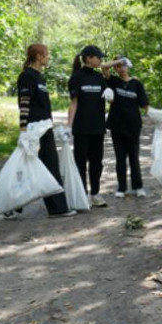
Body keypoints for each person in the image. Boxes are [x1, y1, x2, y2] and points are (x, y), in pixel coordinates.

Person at [7, 43, 76, 219]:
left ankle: (55, 208)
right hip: (33, 130)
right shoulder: (27, 76)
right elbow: (24, 104)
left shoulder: (40, 77)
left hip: (44, 128)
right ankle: (13, 205)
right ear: (38, 56)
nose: (48, 57)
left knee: (48, 166)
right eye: (47, 54)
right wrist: (23, 129)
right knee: (30, 167)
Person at [67, 45, 117, 207]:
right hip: (81, 127)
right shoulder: (76, 77)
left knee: (97, 162)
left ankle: (95, 193)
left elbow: (108, 99)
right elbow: (73, 103)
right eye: (98, 57)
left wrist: (110, 96)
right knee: (81, 162)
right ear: (88, 58)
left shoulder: (98, 77)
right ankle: (82, 194)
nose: (100, 60)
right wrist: (69, 126)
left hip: (97, 127)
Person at [105, 55, 150, 197]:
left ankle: (138, 187)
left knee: (134, 157)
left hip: (133, 126)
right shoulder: (113, 81)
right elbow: (103, 67)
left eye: (123, 65)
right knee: (120, 158)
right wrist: (117, 61)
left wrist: (157, 116)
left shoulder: (136, 84)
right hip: (117, 125)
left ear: (127, 66)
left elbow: (144, 105)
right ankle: (121, 188)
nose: (121, 68)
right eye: (118, 66)